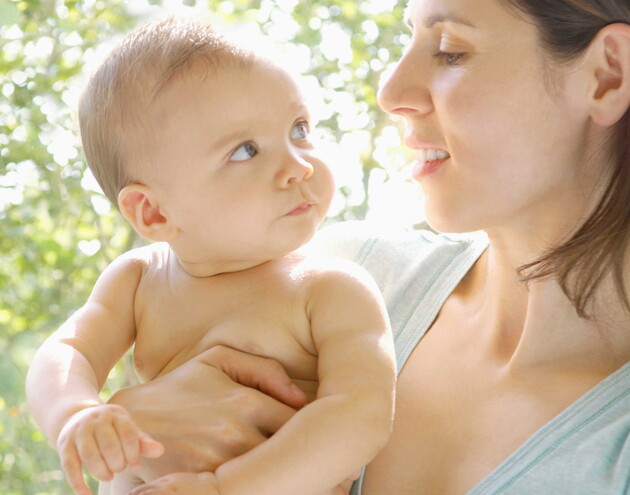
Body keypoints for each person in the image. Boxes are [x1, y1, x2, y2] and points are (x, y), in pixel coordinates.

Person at [83, 0, 630, 494]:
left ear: (606, 75)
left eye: (451, 50)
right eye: (408, 39)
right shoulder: (332, 269)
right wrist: (131, 426)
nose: (391, 91)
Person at [25, 18, 398, 495]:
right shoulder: (138, 280)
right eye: (246, 151)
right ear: (154, 211)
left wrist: (226, 486)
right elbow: (66, 351)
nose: (299, 164)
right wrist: (75, 414)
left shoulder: (330, 289)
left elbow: (361, 415)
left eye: (299, 129)